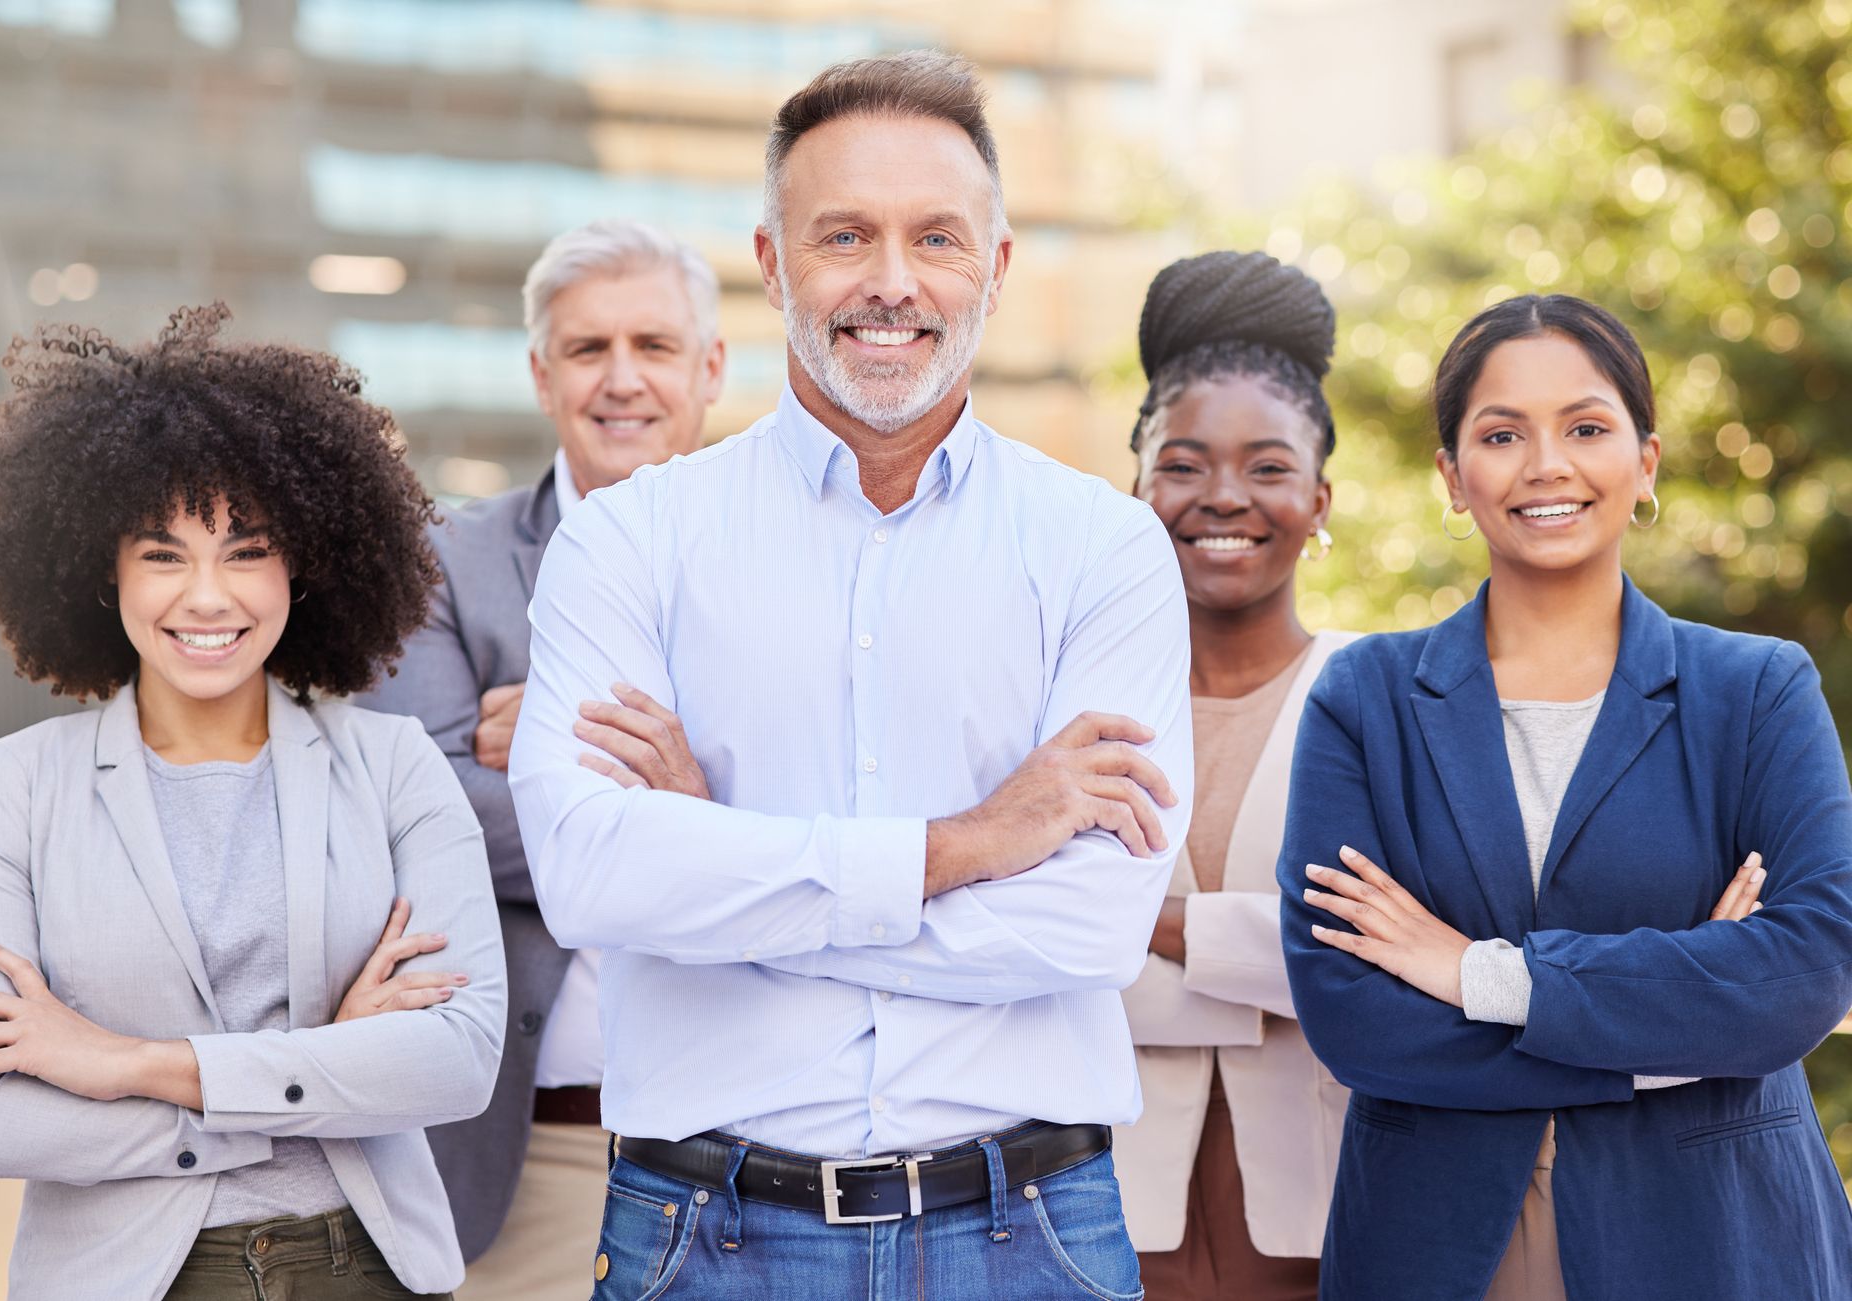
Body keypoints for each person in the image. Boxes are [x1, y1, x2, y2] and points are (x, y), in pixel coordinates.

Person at [508, 51, 1191, 1299]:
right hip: (706, 1235)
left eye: (936, 237)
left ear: (995, 265)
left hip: (1029, 1234)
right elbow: (595, 879)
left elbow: (1093, 926)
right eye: (843, 236)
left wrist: (724, 859)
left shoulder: (1106, 547)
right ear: (771, 263)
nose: (890, 283)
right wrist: (974, 840)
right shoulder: (626, 542)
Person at [1278, 293, 1852, 1299]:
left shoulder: (1757, 690)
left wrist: (1474, 972)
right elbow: (1355, 1015)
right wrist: (1672, 1040)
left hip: (1713, 1233)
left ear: (1647, 462)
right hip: (1440, 1241)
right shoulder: (1366, 699)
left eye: (1586, 427)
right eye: (1502, 434)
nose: (1547, 463)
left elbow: (1806, 971)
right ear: (1454, 479)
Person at [0, 306, 506, 1300]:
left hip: (363, 1267)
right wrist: (326, 1064)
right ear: (101, 572)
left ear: (305, 563)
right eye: (163, 553)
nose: (207, 595)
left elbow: (454, 1064)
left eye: (246, 549)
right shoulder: (12, 788)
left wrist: (122, 1061)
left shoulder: (395, 764)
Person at [353, 218, 725, 1297]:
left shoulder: (811, 565)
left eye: (653, 345)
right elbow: (422, 818)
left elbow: (848, 805)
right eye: (587, 348)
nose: (622, 380)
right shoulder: (440, 562)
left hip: (758, 1156)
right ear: (540, 371)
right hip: (530, 1164)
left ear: (709, 367)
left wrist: (552, 744)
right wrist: (709, 804)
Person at [1113, 251, 1351, 1301]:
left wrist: (1144, 926)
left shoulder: (1384, 700)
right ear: (1137, 485)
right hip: (1097, 1225)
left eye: (1266, 465)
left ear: (1318, 495)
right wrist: (1270, 971)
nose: (1223, 497)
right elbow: (1021, 951)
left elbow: (1379, 965)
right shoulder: (1069, 705)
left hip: (1330, 1224)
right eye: (1183, 462)